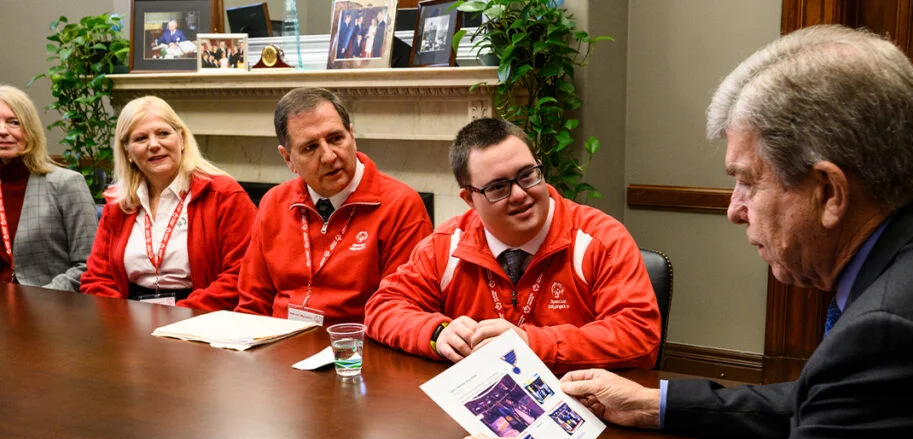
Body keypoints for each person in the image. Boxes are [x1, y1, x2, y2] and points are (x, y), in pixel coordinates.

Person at [456, 25, 913, 439]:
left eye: (748, 182)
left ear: (828, 192)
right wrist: (654, 404)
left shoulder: (892, 332)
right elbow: (817, 399)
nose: (733, 209)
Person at [365, 118, 660, 373]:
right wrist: (436, 332)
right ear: (469, 200)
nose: (519, 194)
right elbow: (383, 307)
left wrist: (532, 343)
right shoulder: (447, 245)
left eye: (527, 175)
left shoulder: (600, 239)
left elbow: (639, 335)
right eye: (497, 187)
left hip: (577, 405)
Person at [235, 87, 432, 326]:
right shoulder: (274, 203)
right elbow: (253, 302)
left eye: (335, 138)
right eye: (310, 147)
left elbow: (401, 311)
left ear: (351, 135)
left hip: (357, 349)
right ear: (288, 159)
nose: (328, 156)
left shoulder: (401, 205)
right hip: (278, 345)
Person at [80, 96, 256, 310]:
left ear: (181, 139)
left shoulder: (224, 194)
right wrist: (122, 319)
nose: (154, 145)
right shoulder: (117, 204)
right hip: (128, 317)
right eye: (141, 138)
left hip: (201, 317)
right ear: (127, 152)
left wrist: (180, 316)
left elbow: (241, 273)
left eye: (163, 133)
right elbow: (96, 279)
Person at [0, 85, 97, 291]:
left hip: (51, 308)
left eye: (14, 123)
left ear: (30, 130)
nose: (2, 131)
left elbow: (89, 265)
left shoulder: (67, 184)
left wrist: (39, 300)